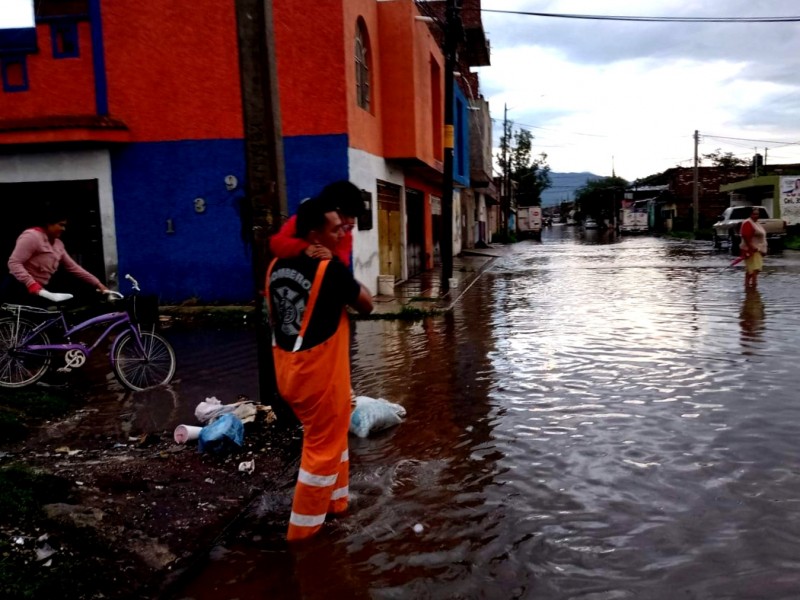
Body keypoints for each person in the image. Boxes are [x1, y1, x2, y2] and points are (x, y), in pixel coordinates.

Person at [266, 195, 373, 542]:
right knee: (320, 451)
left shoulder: (275, 266)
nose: (342, 235)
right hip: (318, 377)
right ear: (314, 235)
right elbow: (367, 304)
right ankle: (303, 536)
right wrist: (342, 270)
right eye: (335, 230)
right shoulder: (330, 270)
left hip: (289, 370)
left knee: (335, 435)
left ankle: (337, 504)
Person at [4, 206, 110, 304]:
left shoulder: (58, 244)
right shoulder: (32, 236)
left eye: (64, 226)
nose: (63, 229)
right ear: (49, 224)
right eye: (60, 225)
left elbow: (74, 268)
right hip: (20, 287)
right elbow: (14, 263)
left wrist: (98, 284)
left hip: (40, 289)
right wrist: (31, 283)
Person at [269, 180, 364, 266]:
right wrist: (304, 248)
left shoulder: (345, 233)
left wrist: (332, 256)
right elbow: (276, 243)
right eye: (350, 215)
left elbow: (344, 261)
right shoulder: (301, 219)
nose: (352, 222)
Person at [739, 206, 767, 290]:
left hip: (758, 250)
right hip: (751, 250)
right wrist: (752, 247)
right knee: (753, 270)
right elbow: (745, 236)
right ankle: (752, 288)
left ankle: (749, 288)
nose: (756, 216)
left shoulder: (756, 223)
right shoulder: (747, 223)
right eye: (754, 214)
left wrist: (763, 249)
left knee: (755, 269)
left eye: (757, 214)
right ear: (750, 214)